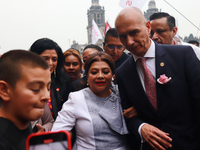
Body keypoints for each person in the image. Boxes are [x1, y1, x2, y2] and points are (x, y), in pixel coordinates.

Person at [115, 7, 200, 150]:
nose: (129, 42)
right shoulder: (122, 72)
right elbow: (128, 116)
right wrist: (141, 127)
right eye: (122, 36)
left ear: (148, 27)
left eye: (134, 32)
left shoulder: (182, 55)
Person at [52, 52, 130, 150]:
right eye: (94, 72)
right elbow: (58, 133)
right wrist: (66, 135)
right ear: (87, 76)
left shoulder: (123, 94)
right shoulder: (77, 98)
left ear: (112, 75)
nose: (100, 76)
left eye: (105, 72)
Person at [0, 50, 51, 150]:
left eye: (48, 88)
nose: (46, 96)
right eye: (36, 89)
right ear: (4, 90)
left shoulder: (23, 121)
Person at [30, 38, 71, 120]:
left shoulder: (64, 81)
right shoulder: (22, 81)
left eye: (54, 59)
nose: (50, 63)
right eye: (45, 59)